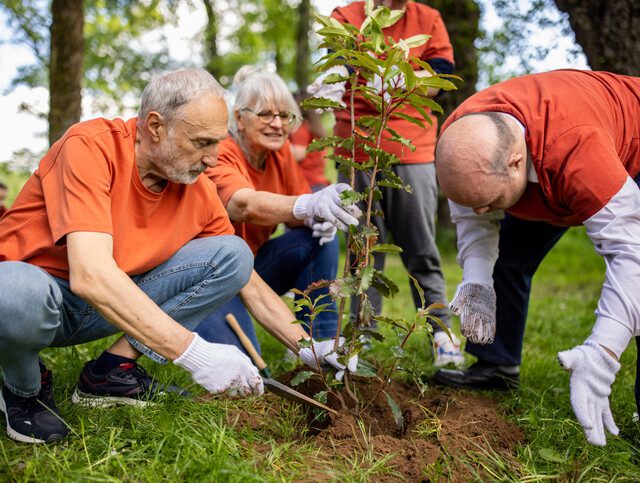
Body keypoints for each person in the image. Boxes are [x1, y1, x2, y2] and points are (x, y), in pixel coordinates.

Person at [0, 69, 355, 445]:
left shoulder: (196, 186)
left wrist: (309, 349)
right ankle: (24, 389)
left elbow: (247, 281)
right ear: (155, 125)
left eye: (217, 143)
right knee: (13, 291)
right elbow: (91, 276)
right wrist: (194, 353)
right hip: (43, 300)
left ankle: (108, 373)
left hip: (112, 305)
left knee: (233, 254)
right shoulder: (91, 146)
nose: (213, 159)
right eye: (202, 142)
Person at [433, 69, 640, 446]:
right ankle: (497, 364)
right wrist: (477, 277)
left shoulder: (576, 148)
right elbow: (472, 214)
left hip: (630, 153)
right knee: (504, 262)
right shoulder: (463, 142)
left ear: (515, 161)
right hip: (540, 179)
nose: (482, 213)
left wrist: (603, 353)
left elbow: (631, 254)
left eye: (489, 202)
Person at [307, 0, 463, 366]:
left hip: (414, 150)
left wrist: (402, 76)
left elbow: (441, 74)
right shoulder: (346, 16)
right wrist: (335, 79)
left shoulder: (428, 19)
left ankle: (442, 335)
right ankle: (359, 340)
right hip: (357, 150)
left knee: (420, 248)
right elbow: (340, 59)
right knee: (363, 253)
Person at [195, 66, 361, 348]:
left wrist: (317, 218)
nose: (277, 124)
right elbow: (242, 205)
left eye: (284, 115)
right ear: (240, 118)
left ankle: (322, 342)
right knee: (243, 369)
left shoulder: (279, 152)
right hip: (208, 279)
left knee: (318, 238)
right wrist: (310, 205)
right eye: (265, 114)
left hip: (252, 270)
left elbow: (296, 214)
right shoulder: (221, 151)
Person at [289, 97, 330, 193]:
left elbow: (299, 153)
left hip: (307, 184)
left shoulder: (301, 127)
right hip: (320, 184)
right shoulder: (317, 129)